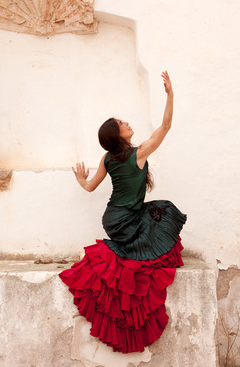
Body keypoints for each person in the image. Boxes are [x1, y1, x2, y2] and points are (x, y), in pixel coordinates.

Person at [59, 71, 187, 353]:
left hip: (112, 219)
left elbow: (91, 187)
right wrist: (170, 95)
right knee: (163, 213)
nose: (127, 123)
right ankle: (117, 256)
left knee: (157, 212)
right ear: (117, 135)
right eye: (122, 123)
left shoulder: (108, 158)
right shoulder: (138, 153)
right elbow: (165, 127)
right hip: (126, 220)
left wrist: (81, 181)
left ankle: (116, 252)